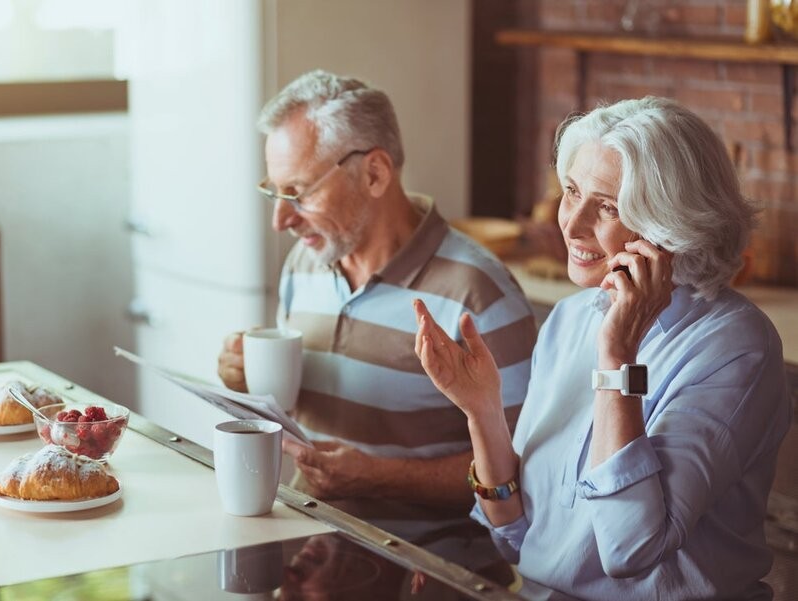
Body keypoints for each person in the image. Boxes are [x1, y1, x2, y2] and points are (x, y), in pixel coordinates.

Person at [414, 96, 791, 600]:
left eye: (608, 206)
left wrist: (618, 359)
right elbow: (517, 538)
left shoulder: (736, 347)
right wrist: (482, 411)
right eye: (572, 192)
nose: (570, 224)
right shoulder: (571, 318)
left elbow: (630, 551)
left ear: (672, 227)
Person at [217, 70, 536, 560]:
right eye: (275, 193)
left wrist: (379, 477)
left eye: (298, 192)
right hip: (310, 551)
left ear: (374, 174)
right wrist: (246, 380)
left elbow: (524, 474)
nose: (280, 220)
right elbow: (301, 413)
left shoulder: (478, 294)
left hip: (425, 572)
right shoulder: (305, 263)